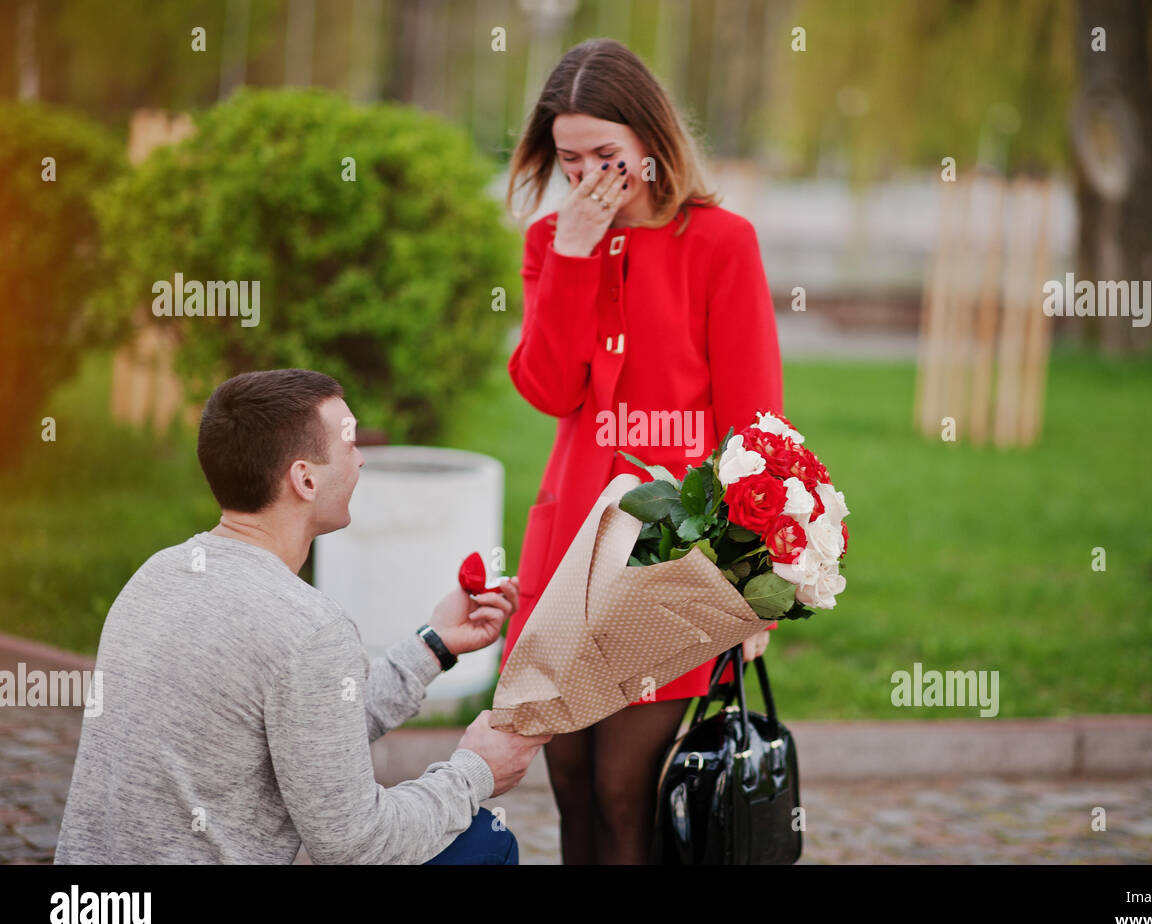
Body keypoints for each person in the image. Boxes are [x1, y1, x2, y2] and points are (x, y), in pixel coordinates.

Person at [54, 369, 549, 865]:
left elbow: (311, 733)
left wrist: (434, 646)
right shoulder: (308, 629)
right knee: (484, 841)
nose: (360, 459)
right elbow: (357, 845)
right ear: (305, 479)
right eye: (350, 441)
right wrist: (475, 771)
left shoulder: (157, 574)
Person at [502, 38, 782, 865]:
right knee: (571, 787)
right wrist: (575, 259)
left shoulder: (721, 242)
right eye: (568, 159)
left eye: (607, 156)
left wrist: (752, 577)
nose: (588, 178)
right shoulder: (553, 241)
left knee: (626, 792)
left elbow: (753, 421)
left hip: (672, 553)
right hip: (567, 550)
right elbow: (549, 388)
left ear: (651, 145)